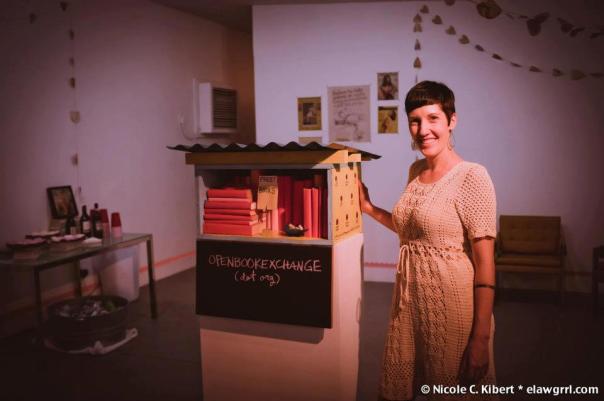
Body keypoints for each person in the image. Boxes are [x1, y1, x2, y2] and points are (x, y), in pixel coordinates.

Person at [359, 81, 498, 400]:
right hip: (409, 305)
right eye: (415, 121)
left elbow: (485, 266)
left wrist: (481, 338)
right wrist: (369, 208)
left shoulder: (472, 176)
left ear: (452, 121)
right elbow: (412, 232)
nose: (423, 130)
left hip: (451, 309)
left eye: (433, 118)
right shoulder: (416, 170)